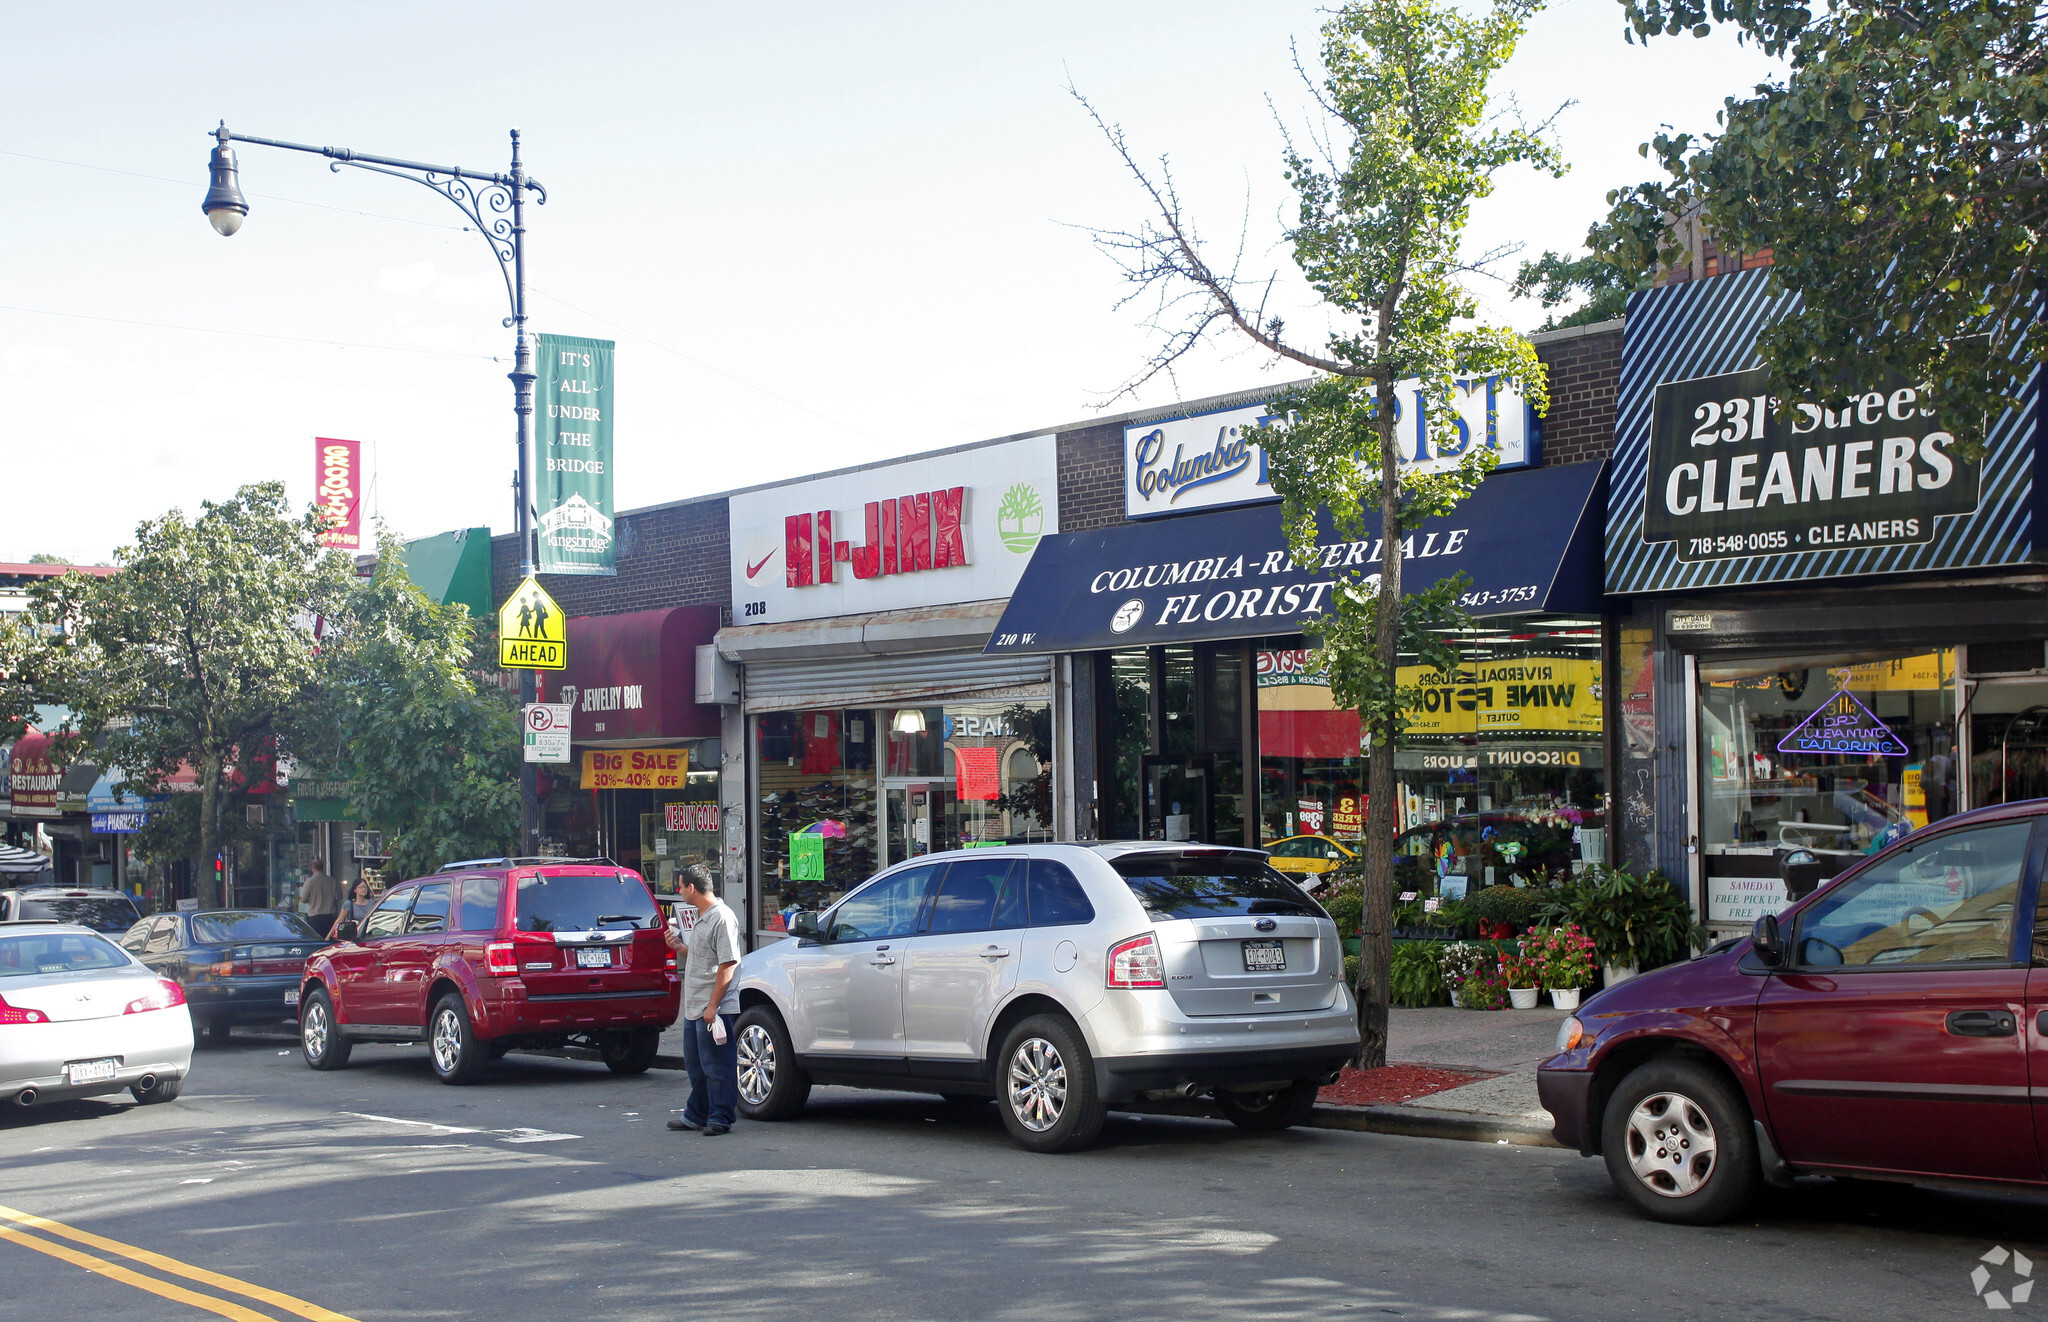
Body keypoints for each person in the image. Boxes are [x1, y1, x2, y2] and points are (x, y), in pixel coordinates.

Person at [665, 865, 742, 1136]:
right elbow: (702, 956)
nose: (679, 890)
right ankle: (696, 1114)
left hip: (713, 1006)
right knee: (696, 1066)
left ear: (693, 888)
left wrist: (713, 1006)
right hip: (695, 1005)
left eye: (681, 886)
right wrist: (679, 947)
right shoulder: (702, 917)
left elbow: (728, 965)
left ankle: (720, 1117)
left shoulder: (722, 918)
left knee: (717, 1065)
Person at [301, 860, 343, 940]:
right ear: (323, 868)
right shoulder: (332, 881)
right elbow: (339, 896)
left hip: (315, 917)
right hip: (330, 917)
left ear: (312, 868)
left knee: (315, 942)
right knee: (329, 942)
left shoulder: (309, 881)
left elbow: (303, 899)